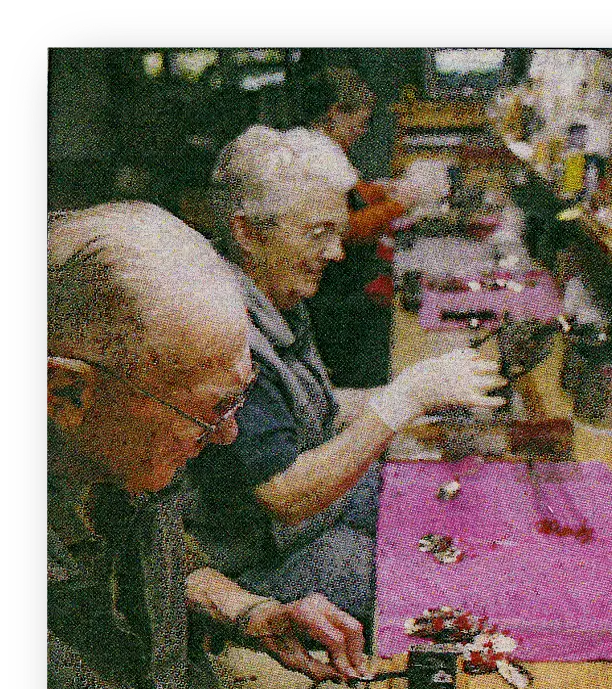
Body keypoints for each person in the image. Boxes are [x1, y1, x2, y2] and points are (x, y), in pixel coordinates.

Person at [45, 201, 529, 689]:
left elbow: (154, 546)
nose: (230, 437)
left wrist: (246, 609)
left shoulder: (107, 446)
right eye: (211, 411)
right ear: (67, 391)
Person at [188, 125, 506, 630]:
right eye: (318, 234)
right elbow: (283, 495)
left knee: (454, 508)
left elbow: (308, 407)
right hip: (255, 556)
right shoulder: (219, 330)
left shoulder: (274, 289)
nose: (337, 252)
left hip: (308, 518)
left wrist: (420, 395)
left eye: (337, 231)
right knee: (449, 587)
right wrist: (401, 401)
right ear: (247, 232)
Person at [287, 67, 425, 388]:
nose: (361, 132)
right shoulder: (321, 154)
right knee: (359, 382)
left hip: (336, 289)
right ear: (335, 113)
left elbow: (348, 193)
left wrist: (382, 189)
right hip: (339, 295)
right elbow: (348, 227)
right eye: (359, 123)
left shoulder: (308, 143)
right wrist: (402, 202)